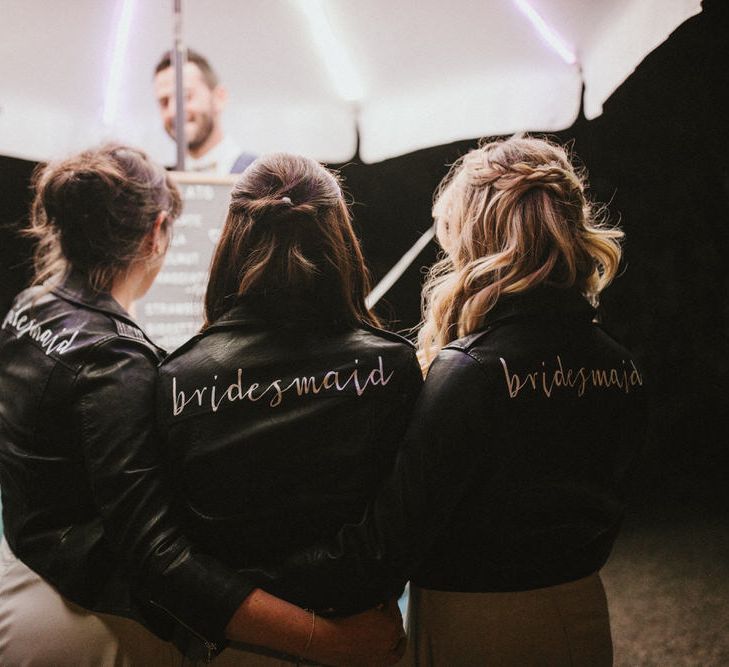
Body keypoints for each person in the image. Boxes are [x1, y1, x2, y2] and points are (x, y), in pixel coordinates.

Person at [0, 144, 406, 666]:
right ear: (157, 232)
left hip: (22, 574)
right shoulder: (120, 363)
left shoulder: (29, 307)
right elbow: (157, 554)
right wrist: (331, 642)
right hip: (96, 619)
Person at [270, 136, 648, 665]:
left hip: (481, 625)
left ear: (476, 234)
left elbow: (389, 540)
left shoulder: (470, 371)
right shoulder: (617, 363)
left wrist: (265, 576)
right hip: (583, 610)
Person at [155, 152, 423, 664]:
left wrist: (245, 585)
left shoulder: (175, 378)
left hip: (240, 643)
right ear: (340, 239)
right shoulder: (394, 367)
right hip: (364, 636)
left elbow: (177, 549)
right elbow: (396, 538)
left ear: (232, 241)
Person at [154, 49, 256, 174]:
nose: (172, 111)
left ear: (219, 97)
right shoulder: (159, 184)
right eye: (164, 102)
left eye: (185, 96)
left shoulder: (263, 180)